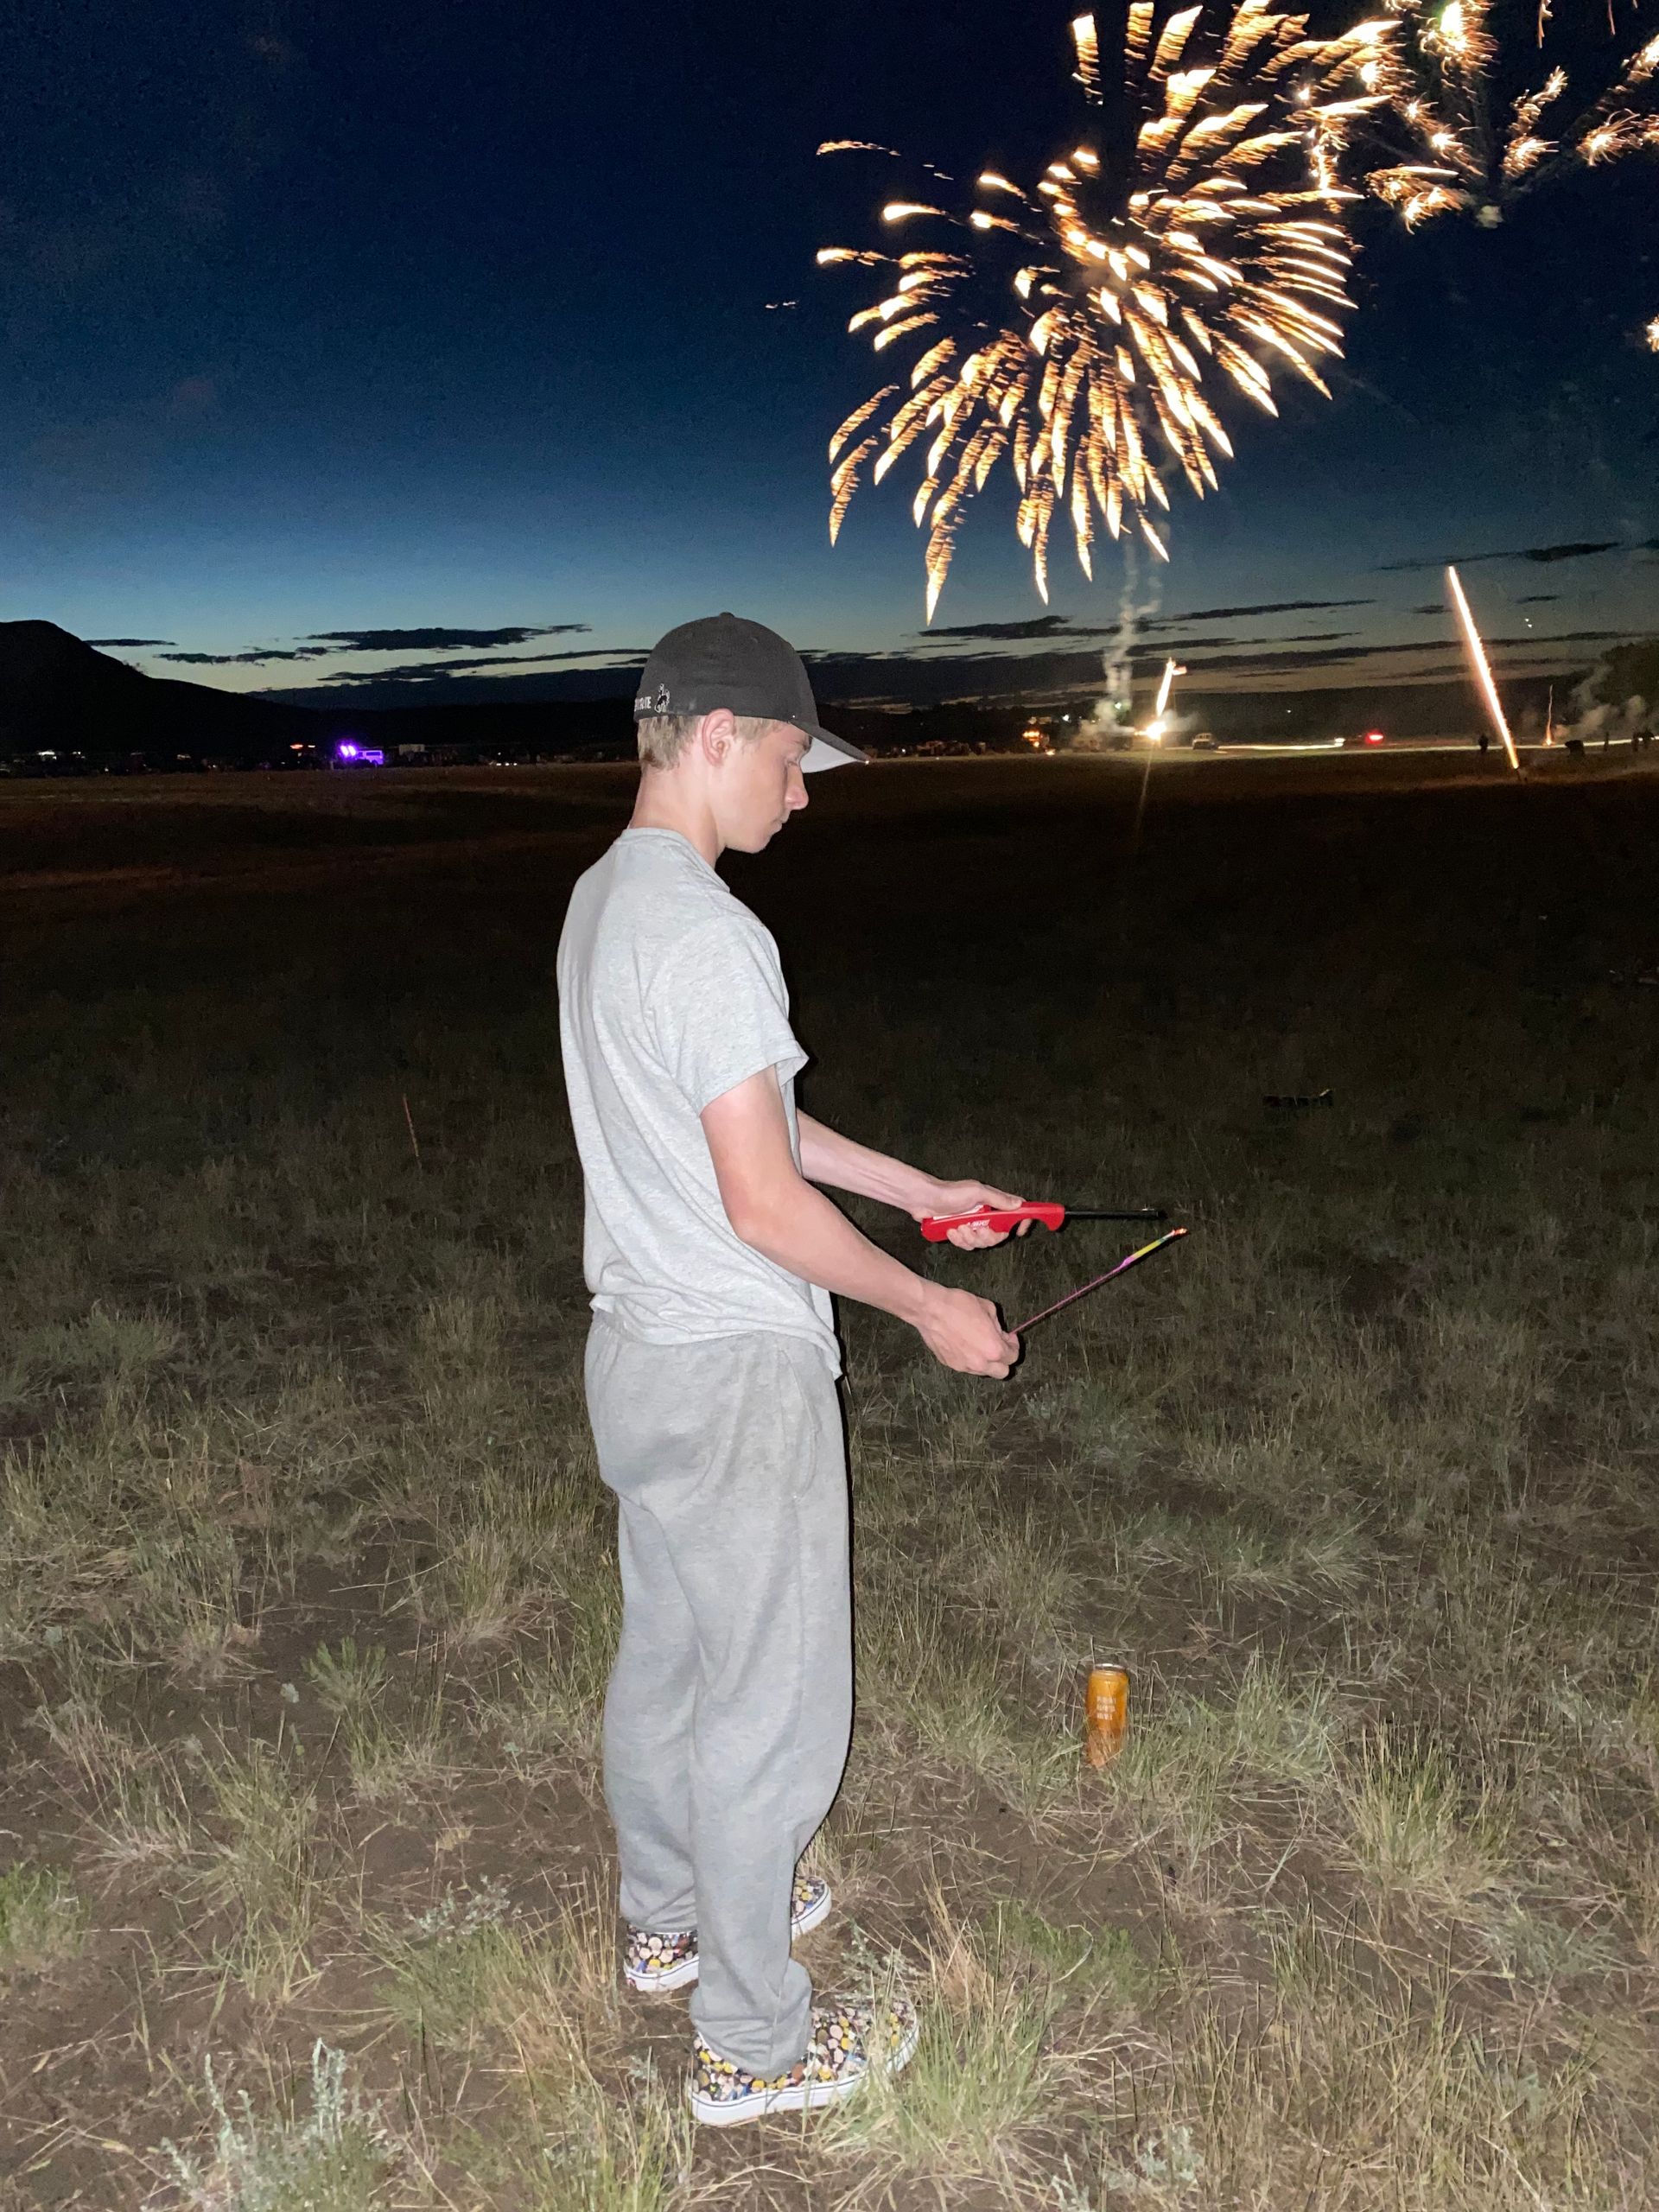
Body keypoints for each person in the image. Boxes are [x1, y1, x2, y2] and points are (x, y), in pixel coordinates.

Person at [556, 613, 1025, 2127]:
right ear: (714, 739)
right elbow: (760, 1201)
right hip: (736, 1372)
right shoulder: (710, 931)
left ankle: (670, 1923)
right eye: (787, 759)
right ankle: (757, 2045)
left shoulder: (608, 904)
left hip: (637, 1356)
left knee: (679, 1657)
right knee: (775, 1701)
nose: (802, 794)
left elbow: (754, 1124)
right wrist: (927, 1307)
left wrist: (920, 1190)